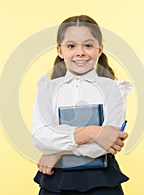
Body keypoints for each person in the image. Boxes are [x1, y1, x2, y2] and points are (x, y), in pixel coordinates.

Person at [31, 15, 132, 195]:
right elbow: (41, 137)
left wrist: (57, 153)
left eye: (88, 45)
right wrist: (93, 132)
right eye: (71, 46)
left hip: (102, 181)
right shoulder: (47, 89)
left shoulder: (113, 88)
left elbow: (108, 142)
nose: (80, 52)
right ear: (60, 51)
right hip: (56, 181)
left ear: (99, 50)